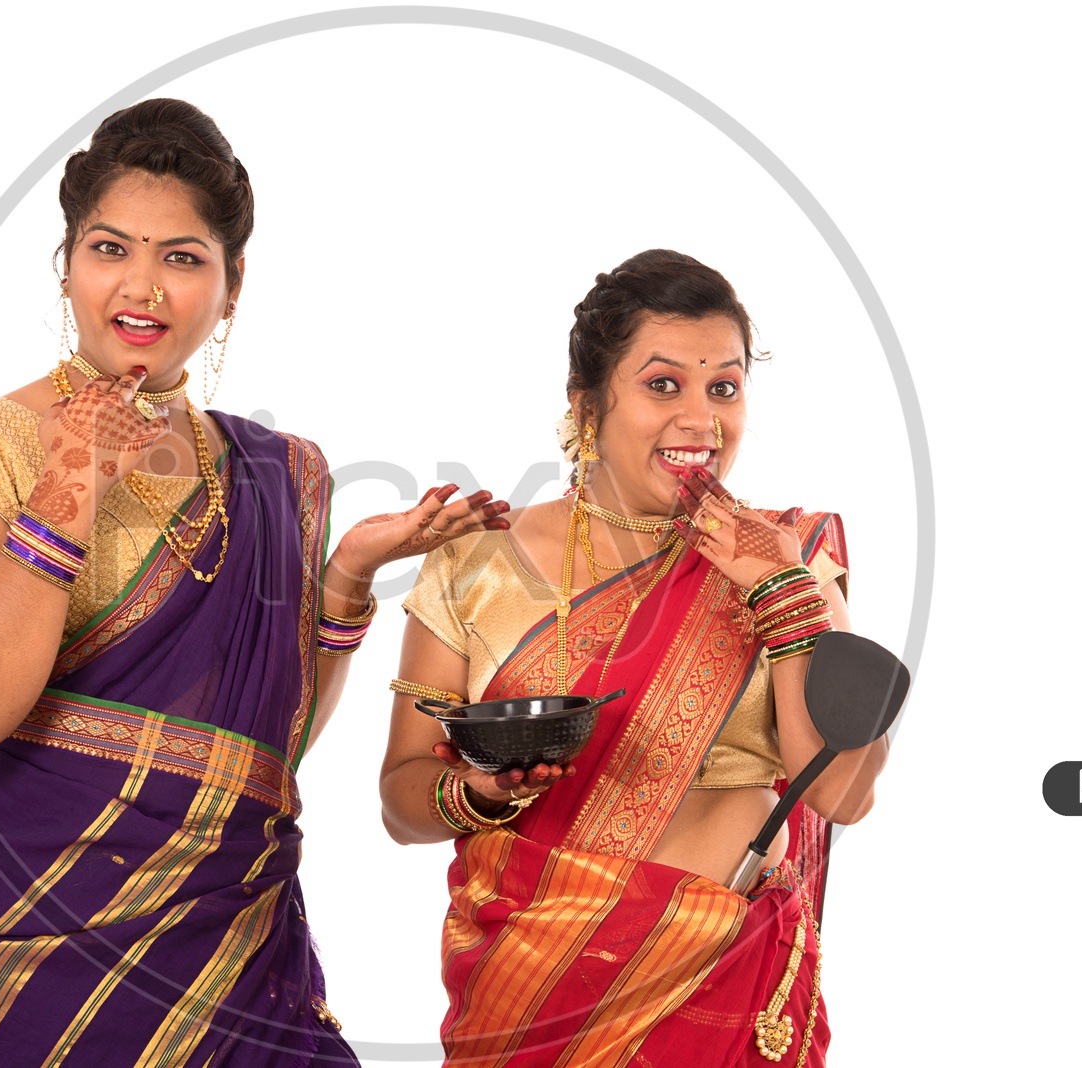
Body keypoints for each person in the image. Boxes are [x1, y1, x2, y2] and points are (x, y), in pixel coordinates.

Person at [0, 98, 509, 1068]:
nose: (140, 287)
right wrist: (66, 496)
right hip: (41, 976)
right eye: (109, 249)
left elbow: (265, 755)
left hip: (239, 964)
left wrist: (346, 575)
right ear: (67, 267)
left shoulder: (278, 473)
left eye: (182, 258)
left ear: (229, 287)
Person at [380, 249, 889, 1066]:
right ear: (587, 405)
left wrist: (782, 593)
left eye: (723, 386)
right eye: (663, 385)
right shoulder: (476, 564)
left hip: (721, 990)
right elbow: (402, 802)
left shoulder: (795, 554)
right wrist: (474, 795)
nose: (702, 419)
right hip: (530, 996)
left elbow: (842, 790)